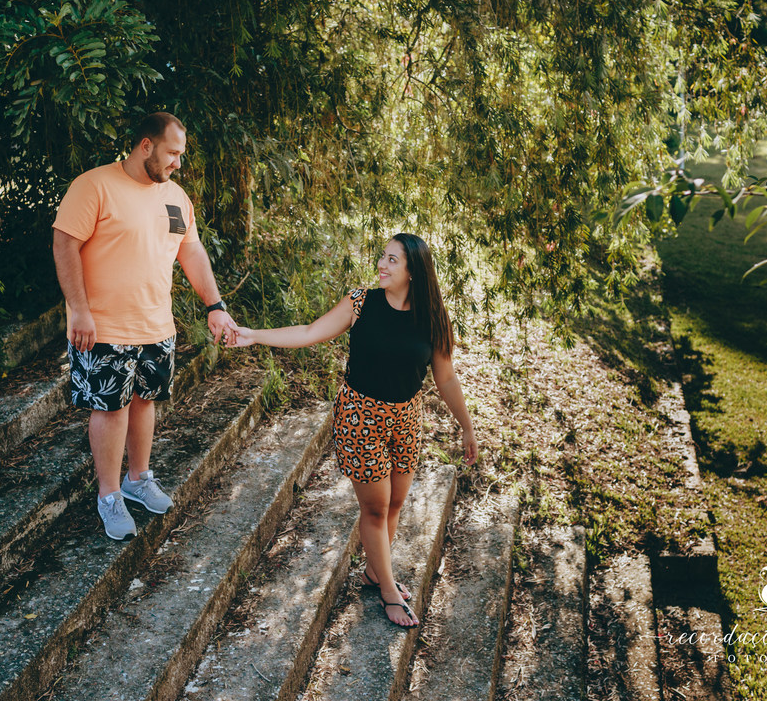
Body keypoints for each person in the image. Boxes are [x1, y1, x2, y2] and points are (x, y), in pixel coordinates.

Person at [230, 233, 478, 628]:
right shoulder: (362, 303)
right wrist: (254, 335)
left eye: (392, 260)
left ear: (414, 271)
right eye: (383, 257)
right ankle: (388, 590)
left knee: (396, 503)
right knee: (376, 507)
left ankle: (373, 571)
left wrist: (466, 426)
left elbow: (445, 379)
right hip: (359, 417)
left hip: (407, 419)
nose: (382, 264)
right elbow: (310, 332)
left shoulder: (433, 318)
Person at [52, 112, 238, 540]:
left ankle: (138, 479)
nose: (178, 163)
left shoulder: (175, 197)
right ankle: (109, 496)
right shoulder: (94, 185)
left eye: (181, 155)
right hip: (103, 328)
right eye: (173, 153)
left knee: (144, 401)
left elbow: (191, 254)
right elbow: (65, 244)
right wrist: (78, 310)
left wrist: (215, 305)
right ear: (146, 145)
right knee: (111, 408)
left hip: (156, 326)